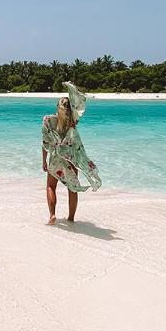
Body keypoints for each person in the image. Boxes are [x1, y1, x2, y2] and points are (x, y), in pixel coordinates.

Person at [41, 81, 101, 225]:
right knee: (72, 188)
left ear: (57, 107)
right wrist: (70, 87)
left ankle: (52, 215)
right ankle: (71, 218)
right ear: (71, 109)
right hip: (70, 158)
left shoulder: (47, 120)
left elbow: (45, 143)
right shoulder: (73, 121)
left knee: (51, 186)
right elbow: (80, 101)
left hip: (55, 158)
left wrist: (44, 160)